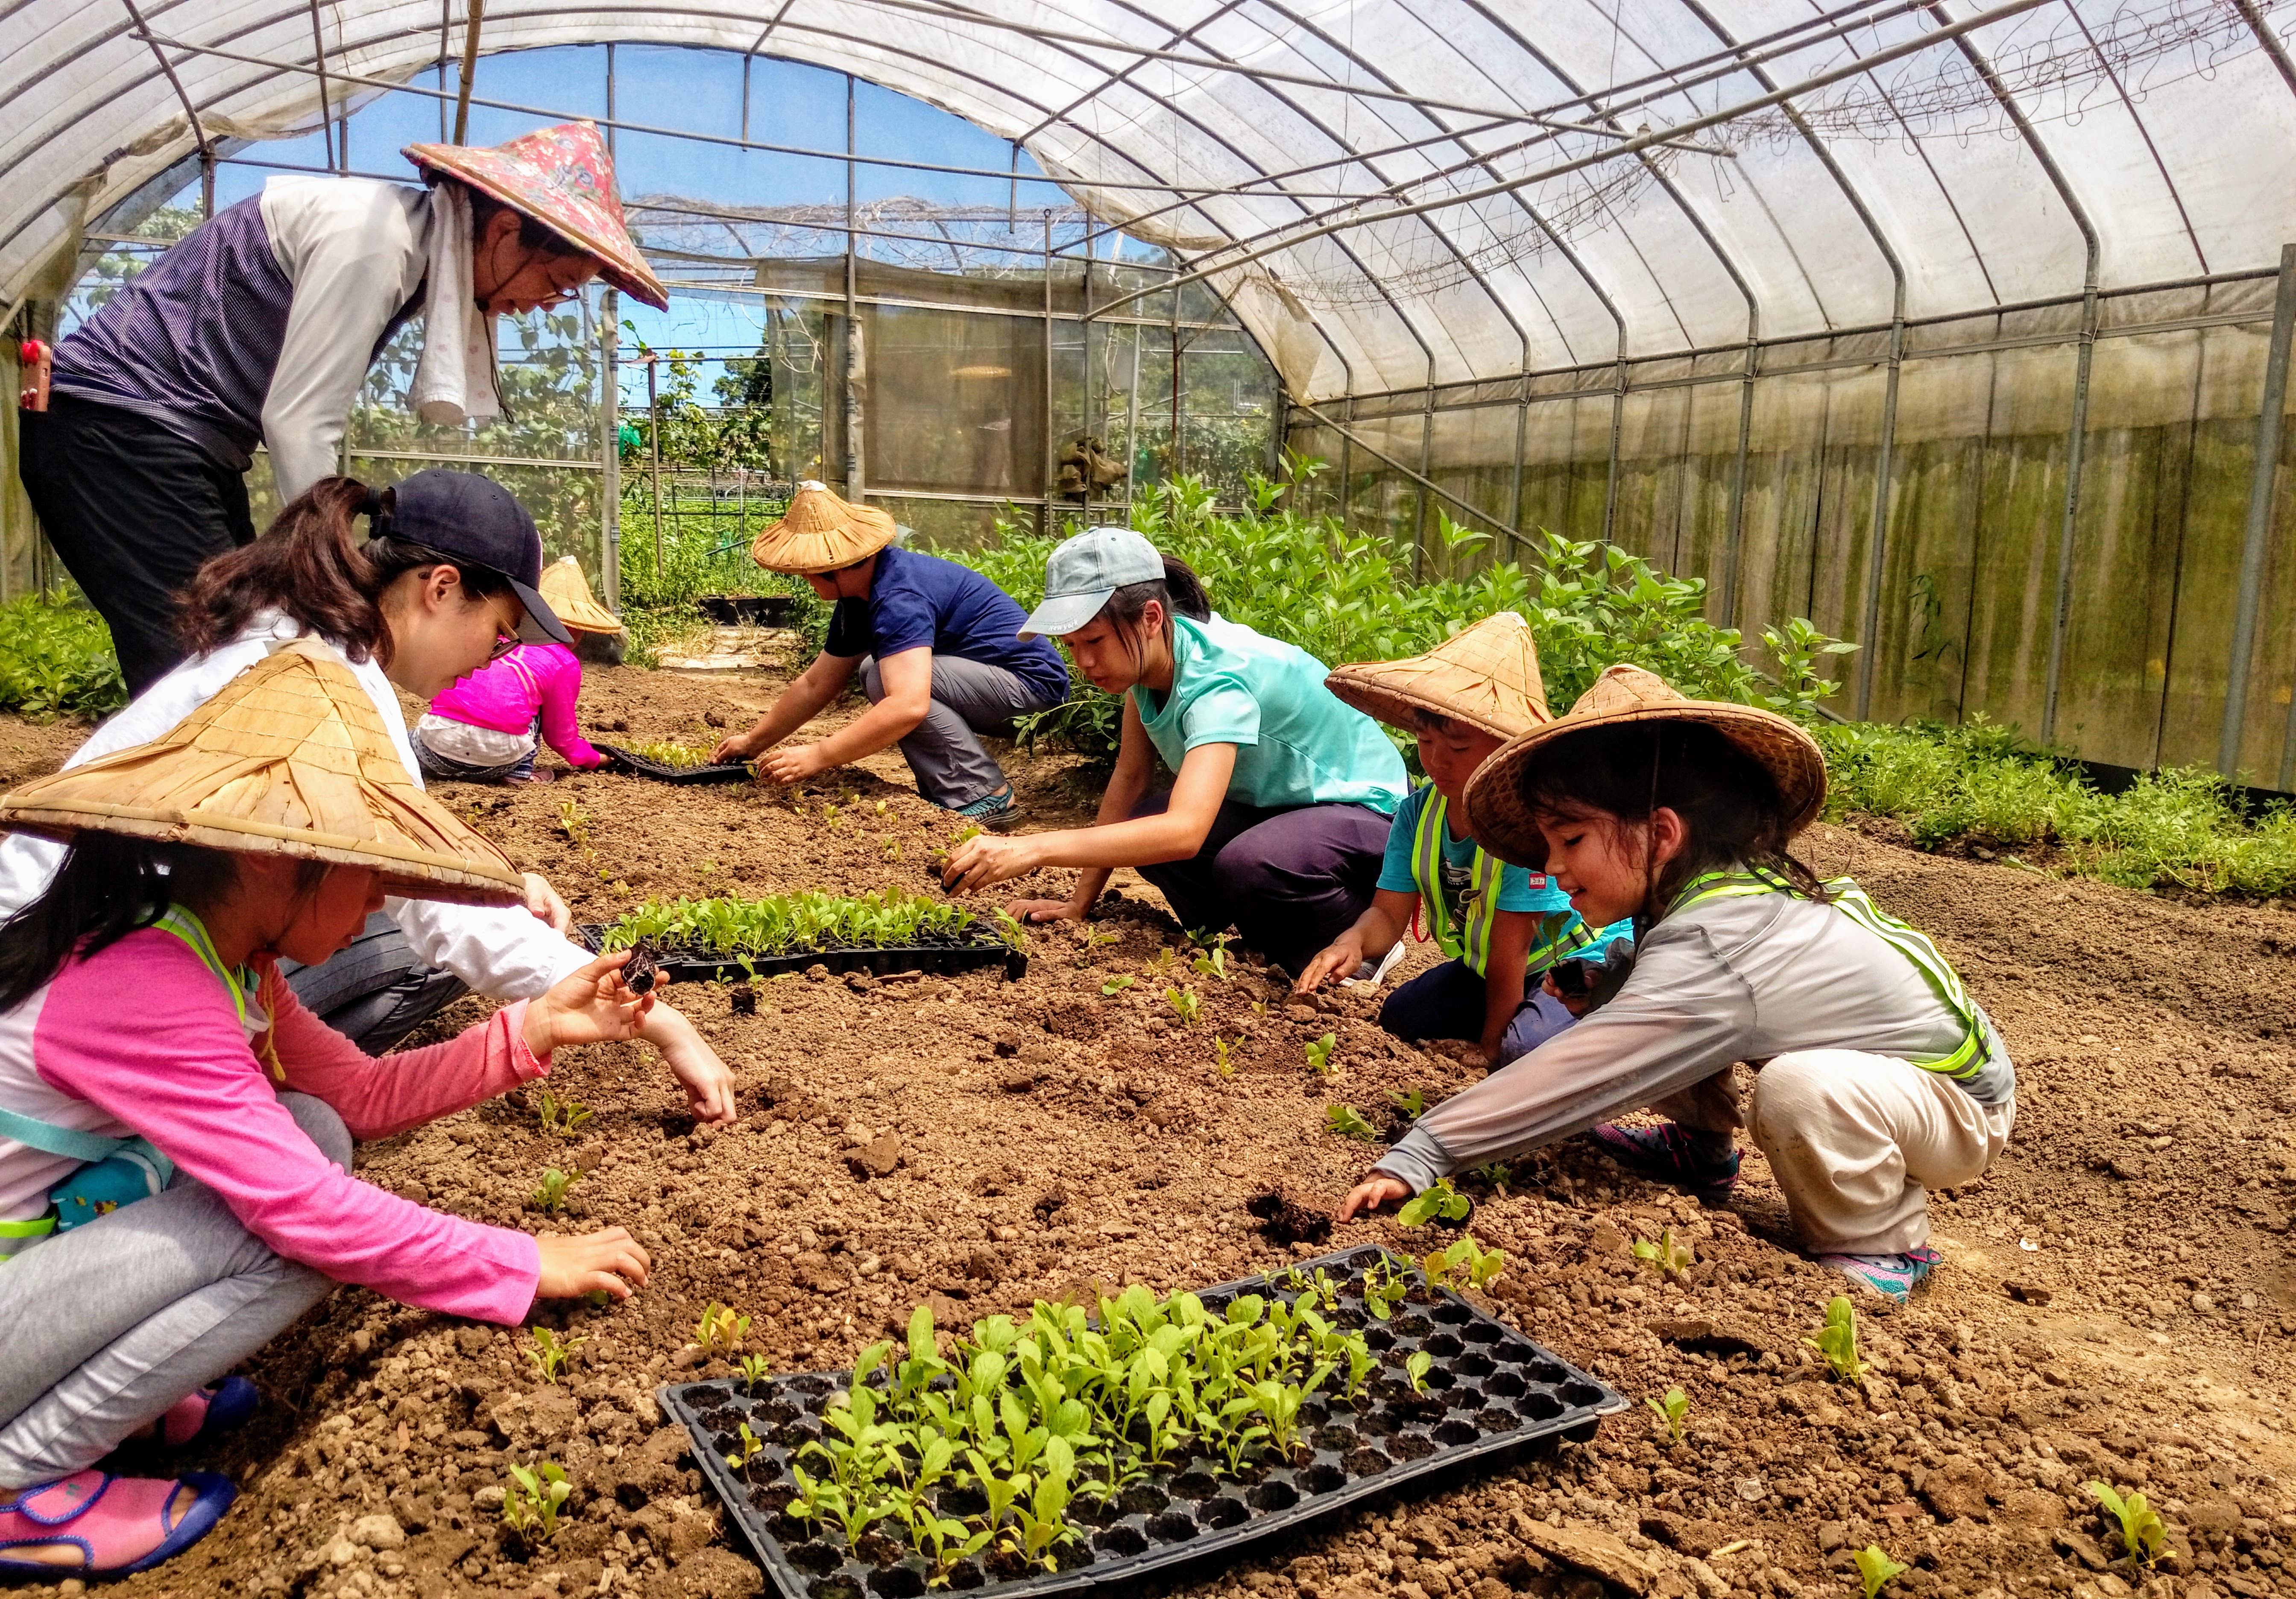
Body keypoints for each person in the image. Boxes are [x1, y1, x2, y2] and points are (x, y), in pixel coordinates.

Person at [0, 643, 654, 1578]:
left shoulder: (218, 955)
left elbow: (356, 1094)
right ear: (278, 862)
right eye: (364, 872)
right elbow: (307, 1212)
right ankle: (20, 1479)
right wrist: (519, 1260)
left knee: (313, 1128)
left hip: (32, 1274)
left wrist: (538, 1026)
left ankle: (125, 1399)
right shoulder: (148, 983)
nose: (380, 903)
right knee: (296, 1235)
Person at [0, 470, 737, 1110]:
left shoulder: (300, 639)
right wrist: (660, 1019)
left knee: (404, 924)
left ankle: (263, 1083)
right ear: (440, 588)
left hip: (63, 940)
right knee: (422, 948)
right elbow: (442, 910)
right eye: (500, 631)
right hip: (66, 978)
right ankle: (223, 1097)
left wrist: (505, 884)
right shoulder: (328, 681)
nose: (495, 656)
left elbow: (411, 861)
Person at [1336, 664, 2016, 1302]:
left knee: (1795, 1087)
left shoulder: (1720, 937)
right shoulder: (1705, 898)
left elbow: (1593, 1064)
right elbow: (1655, 1000)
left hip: (1956, 1103)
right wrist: (1599, 980)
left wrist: (1426, 1150)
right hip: (1897, 1080)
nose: (1553, 867)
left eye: (1569, 841)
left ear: (1661, 833)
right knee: (1636, 997)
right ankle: (1702, 1151)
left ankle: (1884, 1241)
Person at [20, 121, 667, 696]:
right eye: (555, 283)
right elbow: (300, 419)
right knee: (210, 668)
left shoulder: (411, 249)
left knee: (240, 643)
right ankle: (163, 826)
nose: (545, 304)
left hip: (174, 440)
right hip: (120, 431)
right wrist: (331, 575)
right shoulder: (376, 238)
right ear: (504, 230)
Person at [940, 526, 1409, 976]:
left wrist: (1033, 848)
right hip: (1289, 809)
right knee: (1146, 821)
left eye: (1095, 641)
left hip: (1369, 815)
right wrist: (1078, 903)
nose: (1083, 663)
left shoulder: (1216, 681)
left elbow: (1185, 831)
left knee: (1251, 862)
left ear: (1150, 618)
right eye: (1072, 645)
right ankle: (1245, 938)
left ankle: (1355, 946)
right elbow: (1129, 778)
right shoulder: (1151, 667)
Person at [1294, 613, 1633, 1066]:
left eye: (1457, 749)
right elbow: (1387, 913)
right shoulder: (1418, 813)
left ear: (1500, 745)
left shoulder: (1524, 824)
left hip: (1568, 965)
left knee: (1520, 1051)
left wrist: (1490, 1050)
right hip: (1488, 968)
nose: (1436, 761)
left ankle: (1592, 1022)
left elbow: (1510, 951)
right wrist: (1352, 943)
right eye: (1423, 740)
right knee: (1402, 1016)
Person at [711, 482, 1069, 828]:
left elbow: (908, 706)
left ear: (835, 566)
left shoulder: (899, 596)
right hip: (992, 687)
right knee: (875, 671)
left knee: (886, 678)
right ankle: (959, 792)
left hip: (1032, 694)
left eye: (809, 570)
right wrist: (753, 743)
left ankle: (983, 795)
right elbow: (816, 684)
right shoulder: (861, 598)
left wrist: (818, 756)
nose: (805, 577)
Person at [413, 573, 612, 787]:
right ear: (577, 630)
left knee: (410, 738)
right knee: (538, 704)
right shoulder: (565, 663)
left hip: (436, 749)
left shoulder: (490, 636)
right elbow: (560, 739)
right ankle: (520, 773)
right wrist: (595, 759)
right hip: (499, 761)